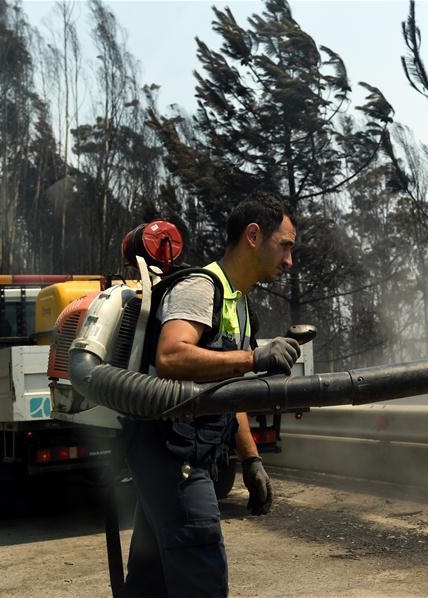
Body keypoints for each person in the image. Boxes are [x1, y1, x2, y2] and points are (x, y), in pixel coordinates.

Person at [123, 196, 299, 598]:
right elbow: (171, 355)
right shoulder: (202, 288)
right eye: (285, 245)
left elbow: (224, 392)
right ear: (253, 236)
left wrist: (251, 459)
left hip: (177, 453)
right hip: (175, 455)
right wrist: (253, 357)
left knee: (151, 583)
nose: (289, 261)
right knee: (202, 575)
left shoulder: (239, 303)